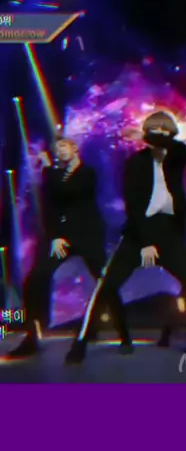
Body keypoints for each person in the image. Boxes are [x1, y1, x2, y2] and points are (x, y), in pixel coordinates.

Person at [65, 111, 186, 363]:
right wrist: (146, 242)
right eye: (154, 131)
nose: (160, 136)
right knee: (107, 285)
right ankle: (81, 341)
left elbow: (172, 144)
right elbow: (133, 206)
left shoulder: (177, 156)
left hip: (168, 232)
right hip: (138, 231)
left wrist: (147, 136)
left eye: (164, 131)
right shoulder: (135, 163)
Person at [8, 136, 127, 359]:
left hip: (88, 235)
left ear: (74, 149)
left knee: (104, 281)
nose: (59, 151)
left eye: (63, 147)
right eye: (57, 149)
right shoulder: (55, 176)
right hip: (63, 238)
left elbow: (70, 192)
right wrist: (55, 236)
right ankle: (32, 336)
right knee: (35, 278)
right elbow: (50, 208)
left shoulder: (87, 173)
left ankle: (124, 333)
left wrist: (47, 171)